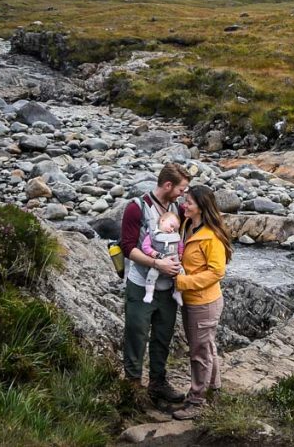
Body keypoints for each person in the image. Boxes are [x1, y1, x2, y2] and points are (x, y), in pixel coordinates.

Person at [120, 162, 191, 404]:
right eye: (181, 189)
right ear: (168, 185)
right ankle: (132, 387)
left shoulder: (179, 210)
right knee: (136, 334)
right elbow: (128, 248)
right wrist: (157, 264)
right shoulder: (136, 208)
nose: (183, 194)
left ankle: (158, 384)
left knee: (163, 336)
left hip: (168, 288)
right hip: (141, 284)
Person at [172, 185, 233, 419]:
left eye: (188, 202)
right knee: (206, 345)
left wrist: (182, 282)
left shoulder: (212, 236)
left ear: (201, 207)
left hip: (204, 303)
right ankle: (215, 388)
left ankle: (197, 401)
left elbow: (217, 272)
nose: (184, 205)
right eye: (184, 200)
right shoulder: (189, 225)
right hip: (191, 300)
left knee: (199, 351)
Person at [141, 211, 185, 306]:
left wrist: (181, 253)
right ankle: (149, 293)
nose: (172, 230)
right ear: (162, 220)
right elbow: (145, 246)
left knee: (182, 275)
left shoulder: (175, 236)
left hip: (175, 261)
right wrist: (153, 253)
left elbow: (180, 244)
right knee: (152, 274)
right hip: (159, 261)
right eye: (171, 226)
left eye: (175, 229)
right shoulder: (153, 234)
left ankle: (178, 293)